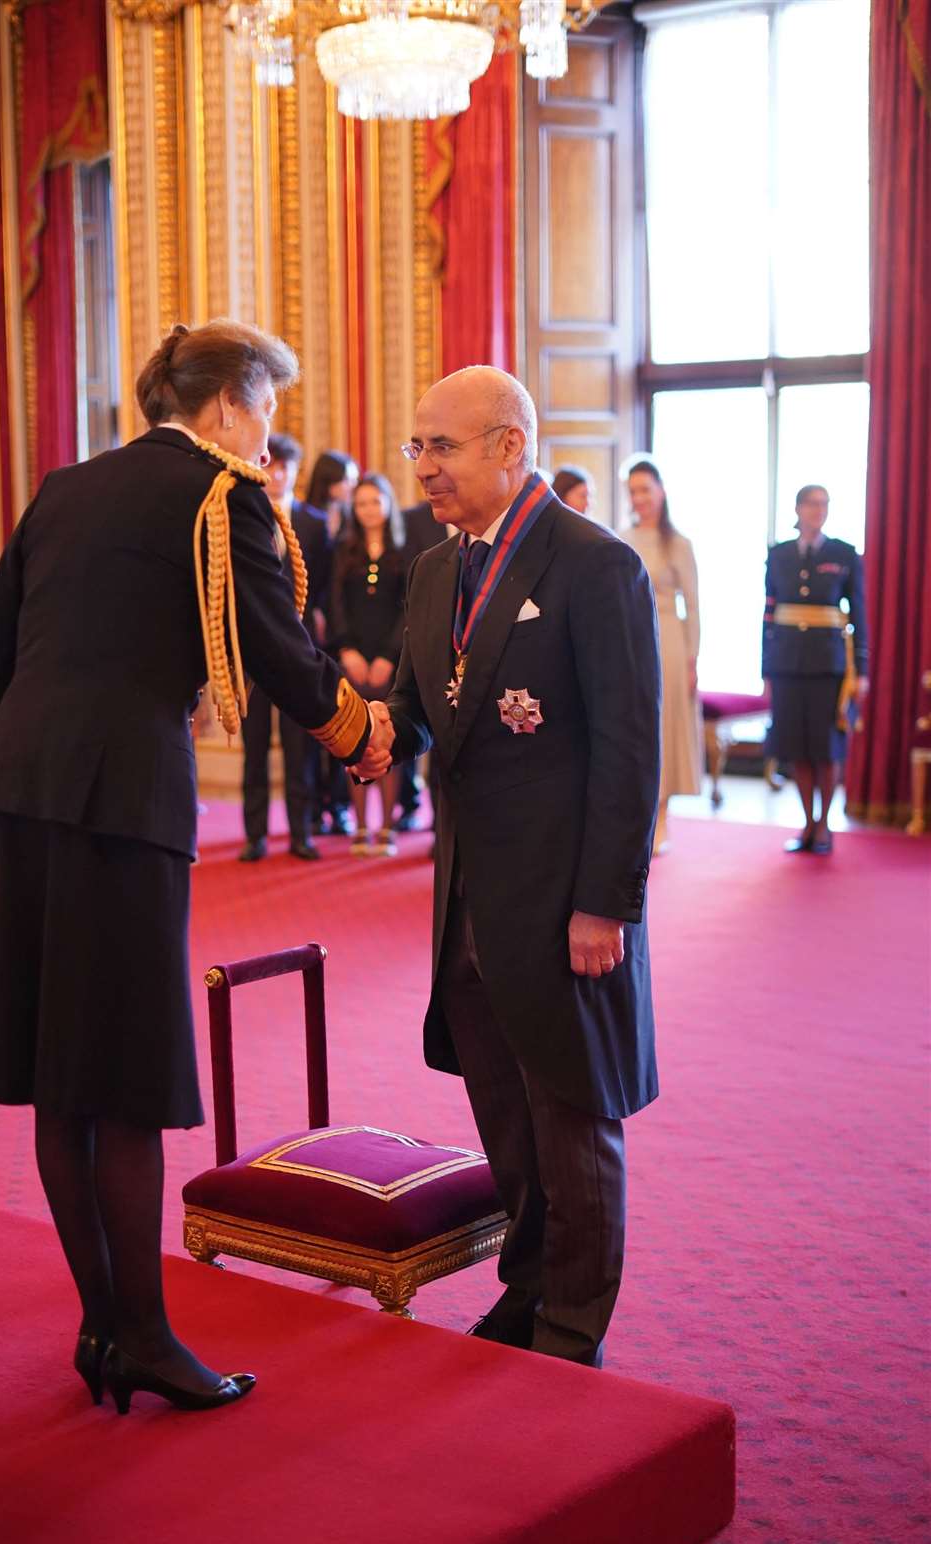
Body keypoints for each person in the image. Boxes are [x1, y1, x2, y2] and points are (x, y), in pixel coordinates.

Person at [0, 318, 384, 1416]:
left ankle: (107, 1325)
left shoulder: (63, 486)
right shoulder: (224, 498)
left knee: (61, 1077)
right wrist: (364, 736)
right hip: (120, 805)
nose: (271, 431)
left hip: (13, 796)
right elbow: (283, 655)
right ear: (231, 404)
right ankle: (137, 1334)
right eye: (269, 408)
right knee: (125, 1077)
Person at [373, 365, 661, 1367]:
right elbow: (416, 709)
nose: (423, 468)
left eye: (440, 447)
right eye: (416, 447)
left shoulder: (595, 565)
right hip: (467, 906)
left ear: (510, 447)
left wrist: (605, 905)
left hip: (562, 903)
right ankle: (527, 1290)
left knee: (573, 1123)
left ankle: (574, 1326)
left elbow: (630, 751)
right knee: (505, 1119)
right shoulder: (431, 571)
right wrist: (361, 727)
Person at [238, 433, 331, 862]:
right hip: (253, 652)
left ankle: (301, 832)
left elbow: (325, 586)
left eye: (284, 467)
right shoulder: (246, 515)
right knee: (254, 746)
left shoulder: (313, 523)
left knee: (300, 748)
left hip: (298, 651)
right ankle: (255, 834)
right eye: (270, 466)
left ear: (296, 471)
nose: (276, 474)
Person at [762, 484, 868, 854]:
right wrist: (766, 669)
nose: (817, 510)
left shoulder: (844, 553)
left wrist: (863, 670)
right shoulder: (778, 555)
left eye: (824, 504)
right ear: (798, 508)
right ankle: (807, 822)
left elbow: (859, 614)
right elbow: (769, 613)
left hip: (829, 665)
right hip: (787, 663)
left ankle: (825, 825)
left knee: (826, 747)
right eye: (811, 503)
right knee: (798, 746)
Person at [619, 458, 701, 854]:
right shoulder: (620, 538)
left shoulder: (679, 543)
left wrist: (692, 659)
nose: (640, 498)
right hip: (629, 638)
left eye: (645, 489)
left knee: (664, 725)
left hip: (668, 638)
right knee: (633, 724)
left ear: (661, 492)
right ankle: (637, 813)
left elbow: (695, 606)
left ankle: (662, 815)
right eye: (633, 491)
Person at [330, 473, 408, 855]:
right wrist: (346, 650)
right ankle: (361, 825)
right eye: (361, 503)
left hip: (390, 663)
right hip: (353, 660)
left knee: (388, 738)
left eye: (376, 502)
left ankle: (387, 828)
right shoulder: (343, 550)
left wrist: (389, 657)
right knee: (357, 742)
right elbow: (335, 606)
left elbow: (408, 610)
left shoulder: (404, 550)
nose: (369, 510)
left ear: (389, 505)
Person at [306, 449, 360, 834]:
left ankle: (339, 804)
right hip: (312, 628)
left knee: (341, 721)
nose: (352, 487)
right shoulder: (309, 519)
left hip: (344, 632)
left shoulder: (354, 520)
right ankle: (315, 804)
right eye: (347, 479)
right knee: (312, 722)